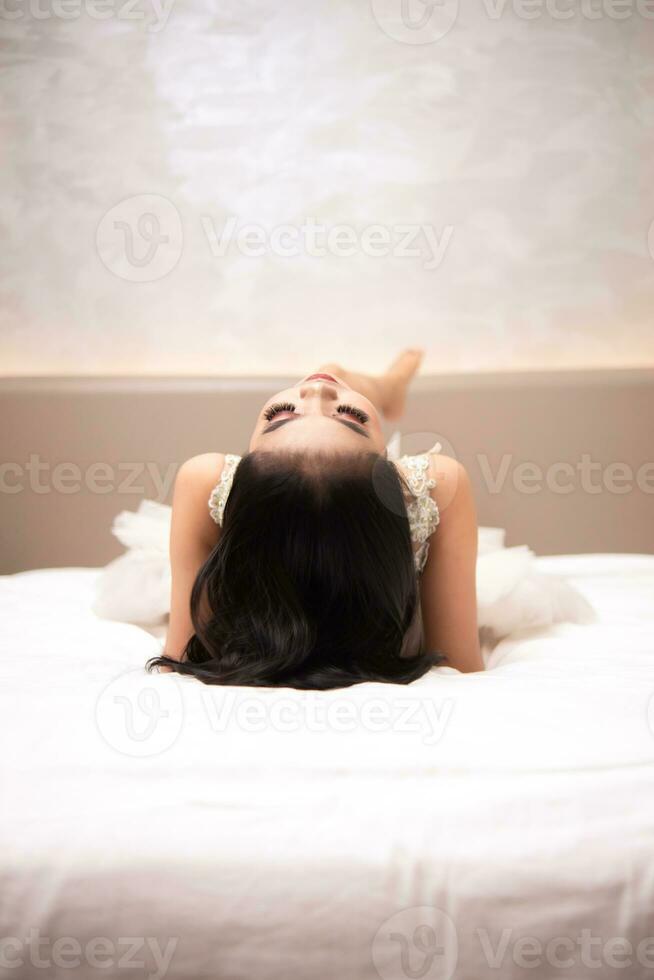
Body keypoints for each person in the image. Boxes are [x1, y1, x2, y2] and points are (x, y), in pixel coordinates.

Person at [147, 350, 484, 688]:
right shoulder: (437, 484)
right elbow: (460, 668)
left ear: (242, 478)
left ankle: (386, 389)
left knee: (329, 371)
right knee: (332, 371)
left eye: (279, 414)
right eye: (352, 417)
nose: (315, 390)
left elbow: (179, 657)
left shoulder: (205, 479)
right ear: (392, 473)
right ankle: (386, 388)